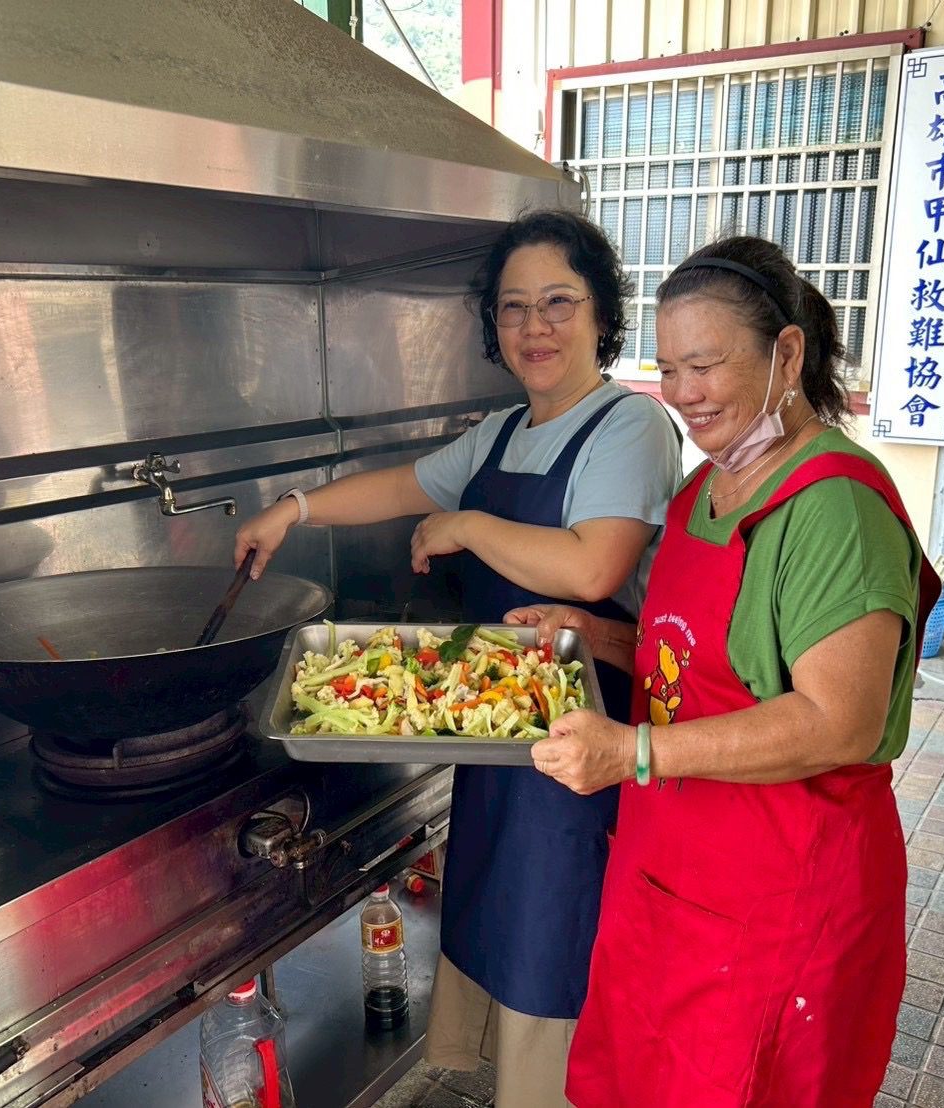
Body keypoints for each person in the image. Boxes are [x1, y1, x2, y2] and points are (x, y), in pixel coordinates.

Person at [235, 209, 681, 1107]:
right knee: (500, 917)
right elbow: (405, 486)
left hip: (581, 751)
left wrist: (470, 526)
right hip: (500, 735)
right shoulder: (506, 430)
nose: (534, 326)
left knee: (556, 942)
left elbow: (595, 562)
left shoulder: (627, 428)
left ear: (601, 313)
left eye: (559, 301)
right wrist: (293, 509)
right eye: (513, 308)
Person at [513, 236, 941, 1108]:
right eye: (666, 368)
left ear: (786, 353)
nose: (679, 395)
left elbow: (837, 721)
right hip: (668, 884)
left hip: (778, 903)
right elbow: (701, 667)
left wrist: (633, 752)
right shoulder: (702, 490)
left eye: (704, 365)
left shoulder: (833, 510)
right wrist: (593, 634)